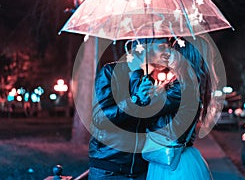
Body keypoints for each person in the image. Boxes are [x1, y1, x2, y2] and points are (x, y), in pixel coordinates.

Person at [88, 37, 180, 180]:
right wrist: (135, 100)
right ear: (143, 46)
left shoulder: (151, 82)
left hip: (140, 171)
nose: (169, 52)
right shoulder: (111, 73)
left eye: (170, 47)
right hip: (109, 170)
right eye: (162, 47)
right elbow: (100, 119)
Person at [145, 37, 213, 180]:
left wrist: (147, 89)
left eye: (174, 50)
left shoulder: (183, 86)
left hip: (172, 162)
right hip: (181, 156)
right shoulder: (189, 83)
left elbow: (148, 110)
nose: (170, 54)